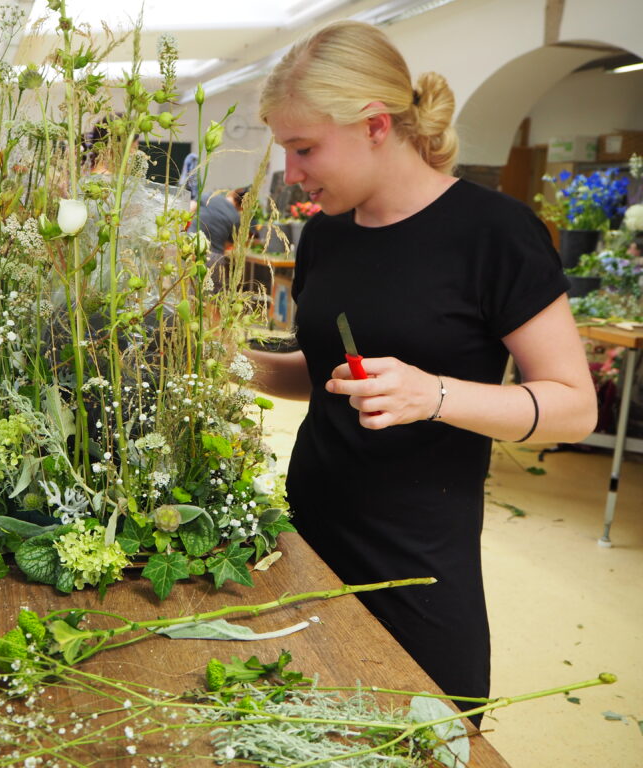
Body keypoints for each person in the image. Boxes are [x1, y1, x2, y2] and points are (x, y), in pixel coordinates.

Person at [247, 20, 597, 722]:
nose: (292, 174)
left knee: (421, 734)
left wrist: (432, 394)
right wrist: (230, 364)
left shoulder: (494, 233)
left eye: (304, 148)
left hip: (418, 564)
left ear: (377, 125)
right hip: (310, 535)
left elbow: (573, 407)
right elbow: (322, 377)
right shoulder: (328, 235)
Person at [191, 186, 249, 290]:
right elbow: (228, 244)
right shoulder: (236, 217)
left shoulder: (208, 196)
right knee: (209, 298)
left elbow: (190, 210)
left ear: (232, 193)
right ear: (243, 207)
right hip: (213, 258)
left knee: (182, 291)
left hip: (190, 248)